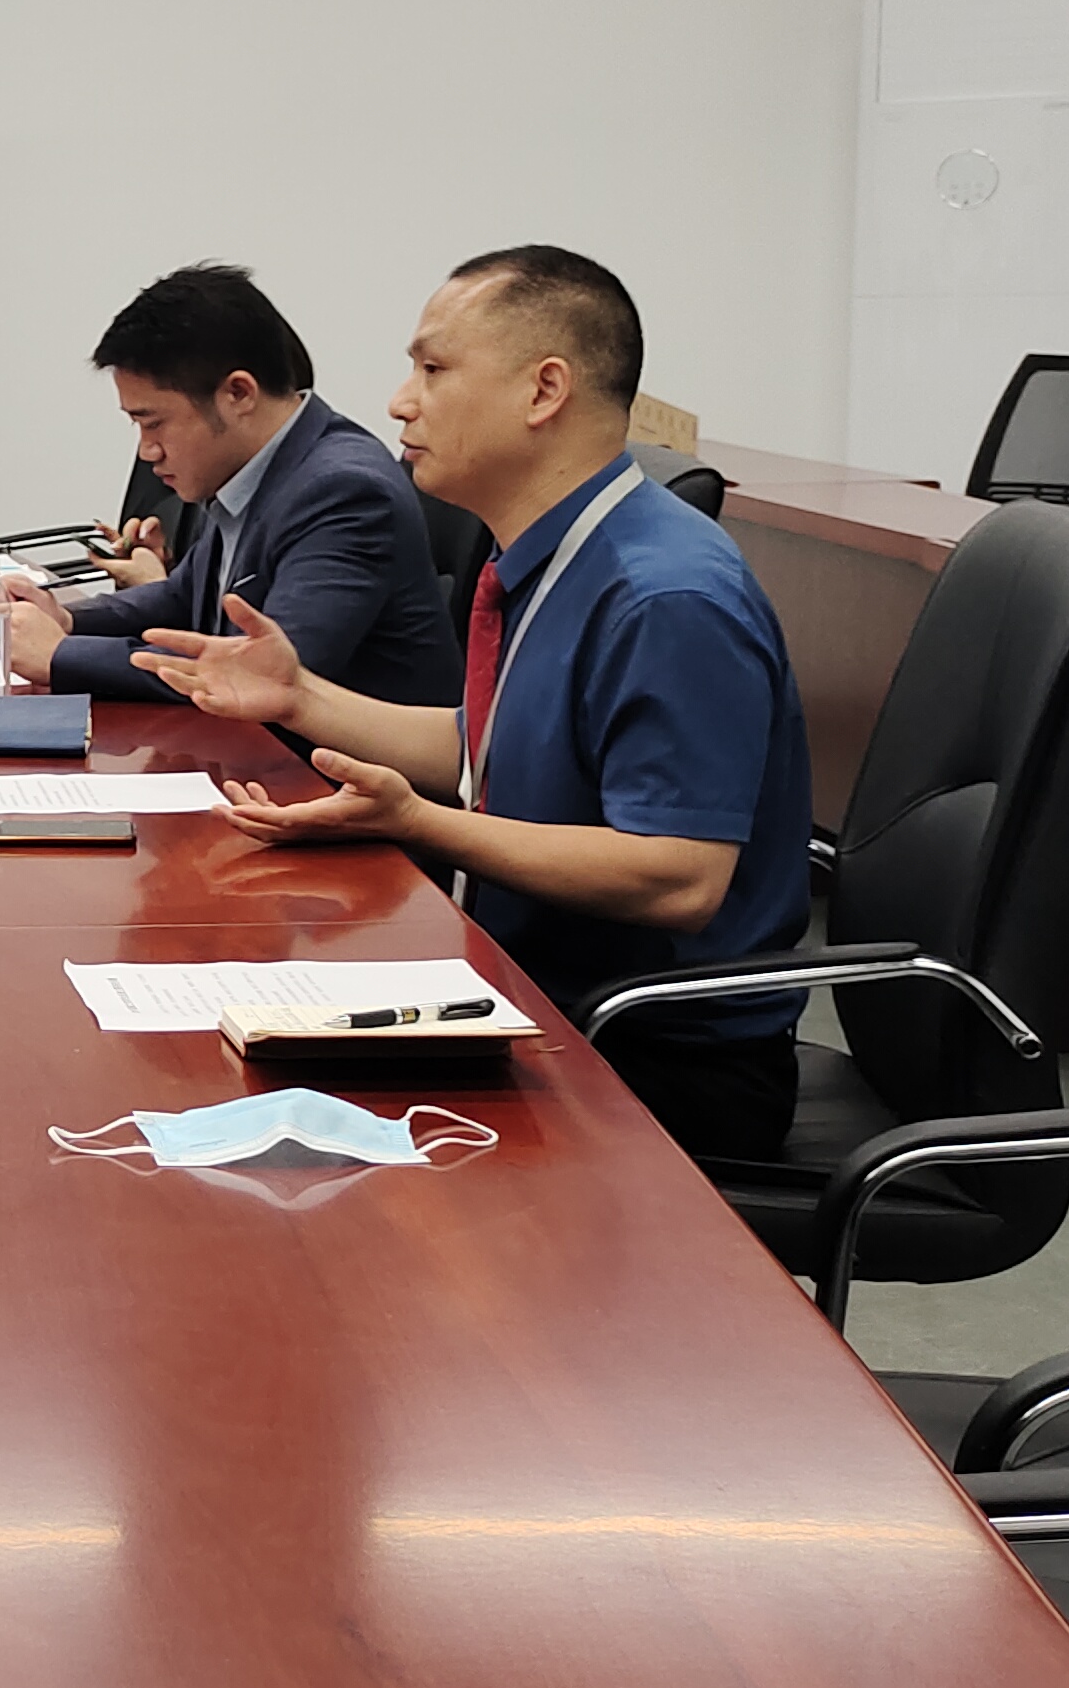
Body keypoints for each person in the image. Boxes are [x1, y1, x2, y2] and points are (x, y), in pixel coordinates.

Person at [136, 244, 815, 1161]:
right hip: (528, 988)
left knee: (269, 1140)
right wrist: (299, 697)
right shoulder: (556, 551)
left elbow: (679, 876)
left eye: (433, 369)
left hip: (649, 1054)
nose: (399, 402)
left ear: (543, 391)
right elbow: (484, 744)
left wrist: (420, 821)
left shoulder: (664, 596)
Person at [2, 262, 460, 712]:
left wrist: (61, 655)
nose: (147, 451)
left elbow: (259, 675)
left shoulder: (344, 492)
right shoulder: (254, 465)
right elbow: (182, 597)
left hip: (320, 758)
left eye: (153, 422)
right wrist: (67, 620)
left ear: (238, 394)